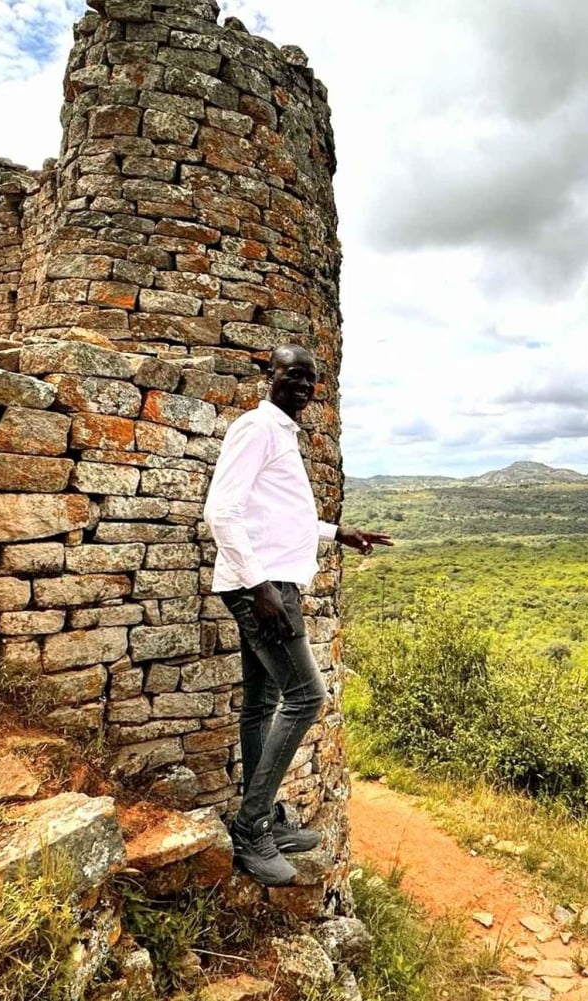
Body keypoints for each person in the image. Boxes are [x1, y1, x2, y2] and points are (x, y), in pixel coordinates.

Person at [203, 343, 393, 886]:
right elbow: (221, 511)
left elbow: (277, 517)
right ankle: (251, 829)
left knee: (261, 704)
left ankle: (265, 816)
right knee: (308, 697)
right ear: (272, 374)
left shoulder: (282, 434)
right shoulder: (257, 428)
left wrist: (337, 532)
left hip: (268, 582)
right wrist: (259, 586)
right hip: (262, 587)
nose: (305, 385)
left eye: (311, 378)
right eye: (294, 374)